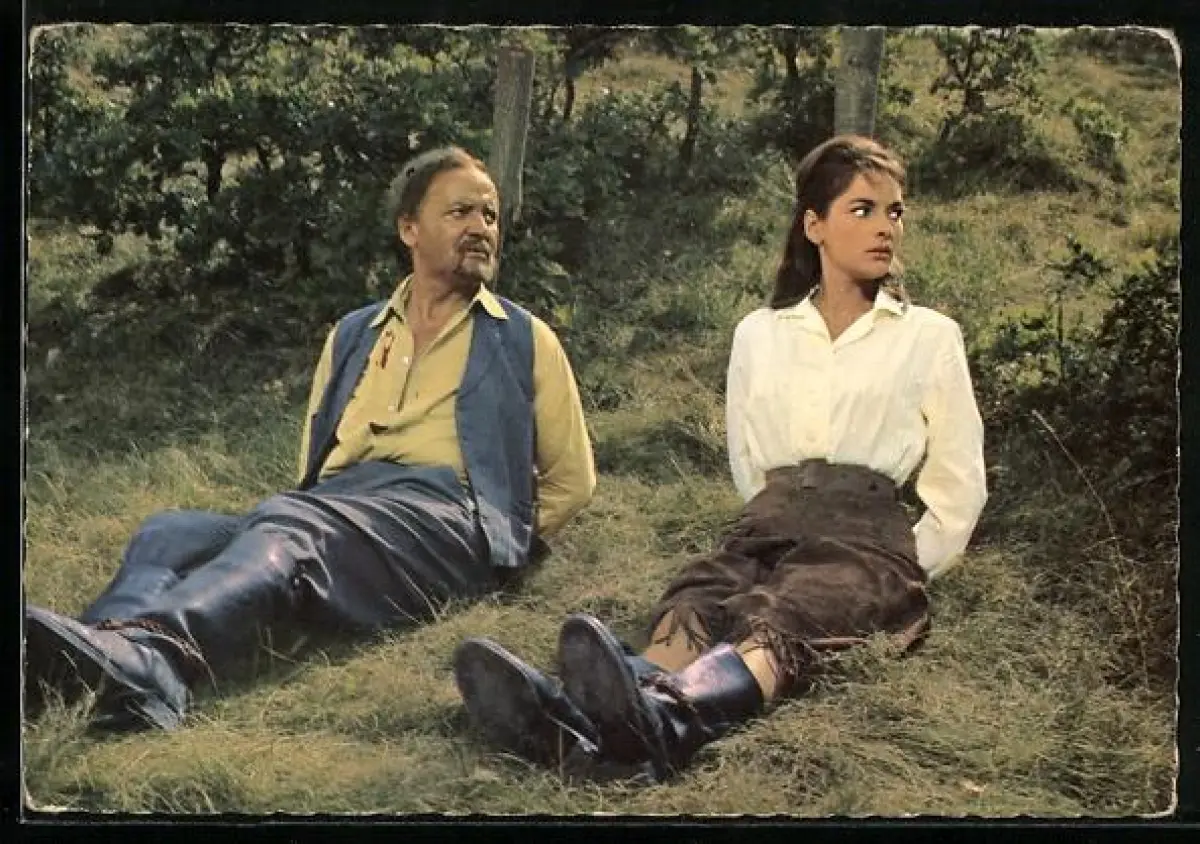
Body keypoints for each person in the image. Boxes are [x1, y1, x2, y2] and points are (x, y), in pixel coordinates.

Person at [452, 134, 988, 783]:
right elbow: (749, 459)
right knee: (698, 599)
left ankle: (659, 722)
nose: (886, 228)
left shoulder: (927, 336)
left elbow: (959, 483)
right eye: (863, 209)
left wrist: (904, 563)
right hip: (766, 522)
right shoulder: (760, 334)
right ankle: (583, 723)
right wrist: (774, 514)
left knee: (784, 616)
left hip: (865, 539)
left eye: (895, 212)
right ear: (814, 225)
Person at [24, 146, 597, 732]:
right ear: (409, 229)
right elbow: (315, 462)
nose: (481, 227)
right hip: (337, 508)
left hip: (441, 520)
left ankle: (156, 661)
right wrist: (317, 512)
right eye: (460, 213)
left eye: (490, 215)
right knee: (170, 532)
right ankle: (87, 657)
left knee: (291, 527)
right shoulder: (354, 333)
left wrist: (498, 547)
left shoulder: (523, 338)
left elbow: (572, 481)